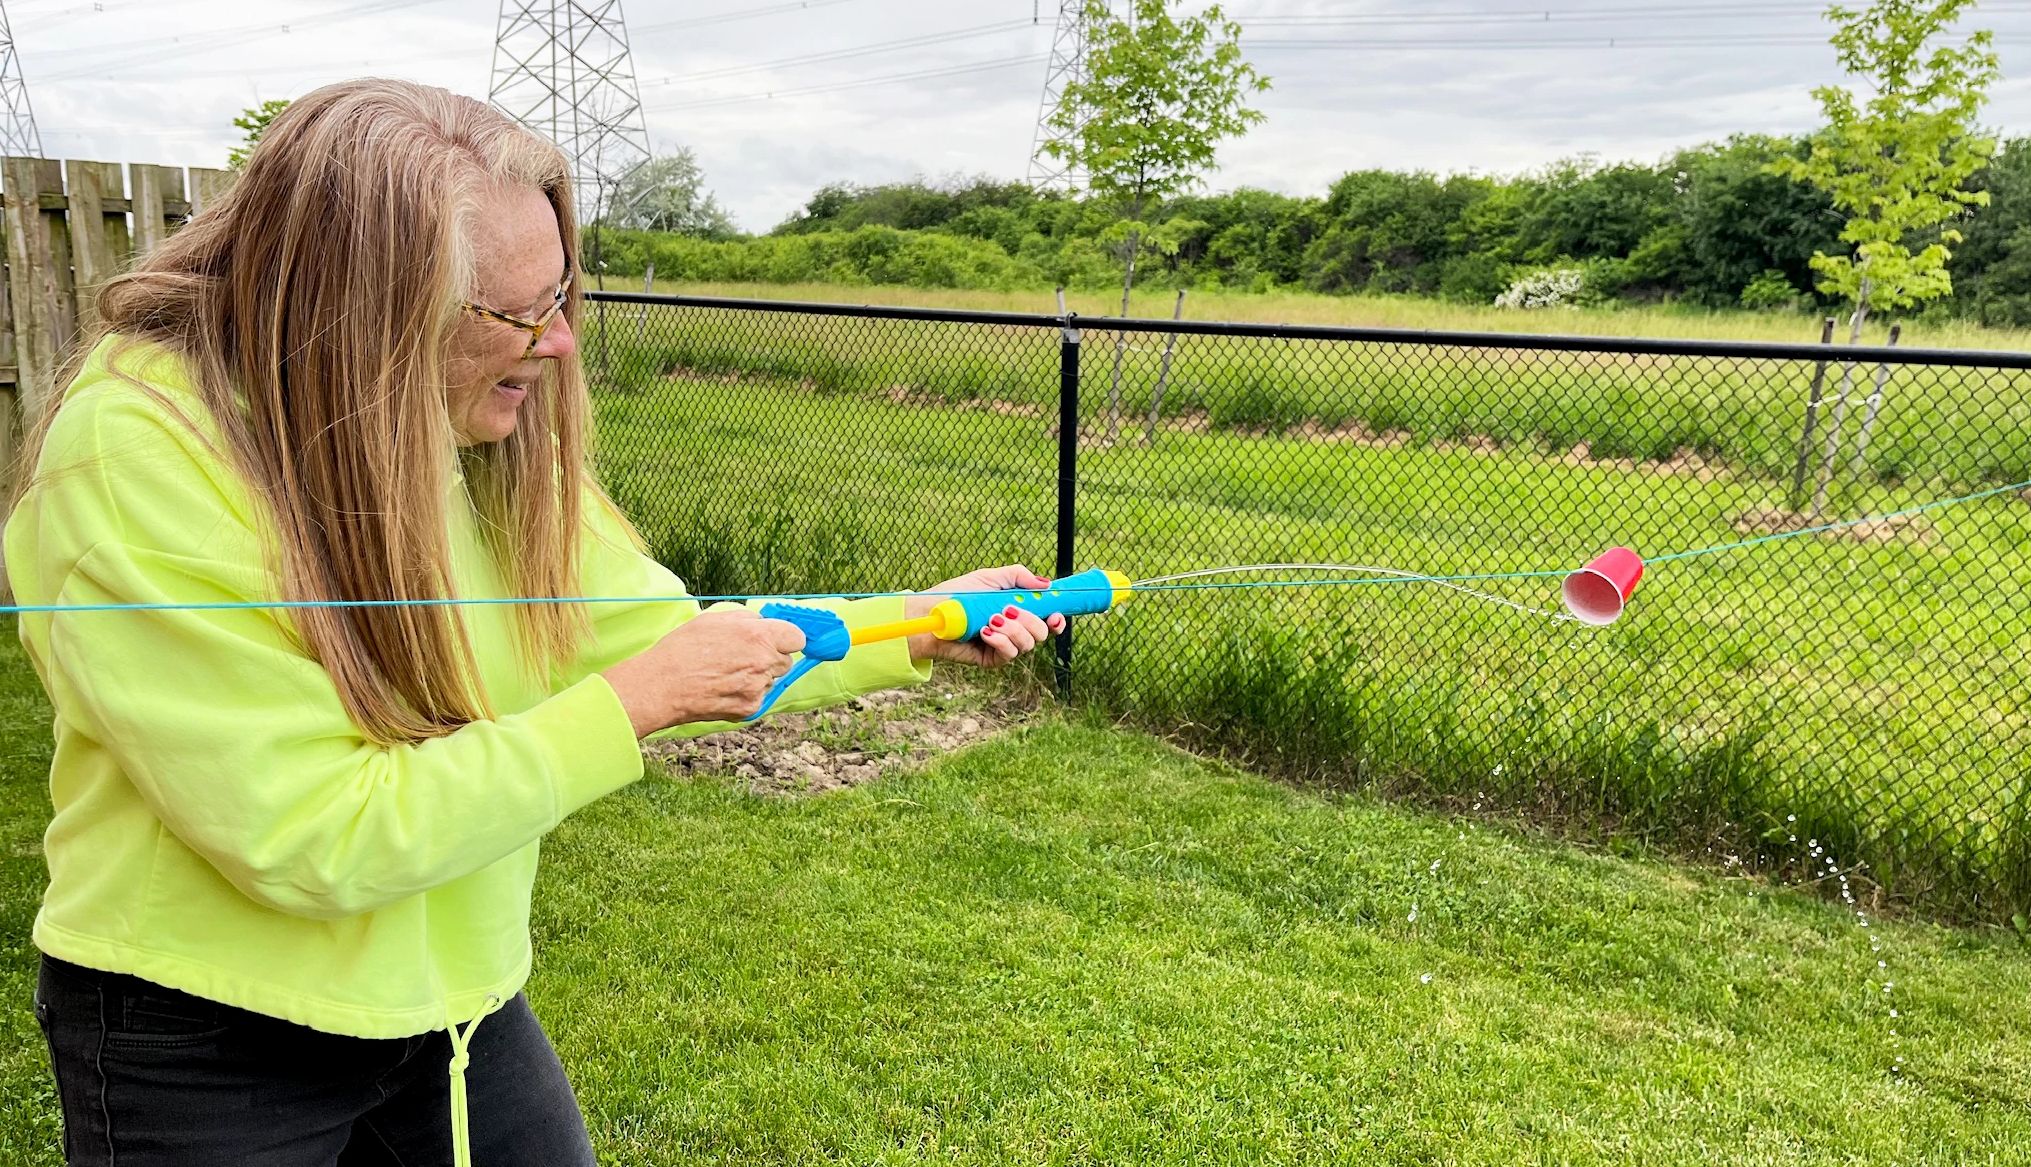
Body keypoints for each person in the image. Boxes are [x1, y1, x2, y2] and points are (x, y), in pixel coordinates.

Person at [4, 78, 1062, 1166]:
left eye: (560, 296)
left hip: (452, 1003)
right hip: (207, 1028)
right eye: (514, 313)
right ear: (361, 314)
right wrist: (631, 709)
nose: (556, 345)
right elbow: (312, 833)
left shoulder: (462, 441)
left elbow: (667, 636)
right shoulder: (136, 458)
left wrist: (921, 624)